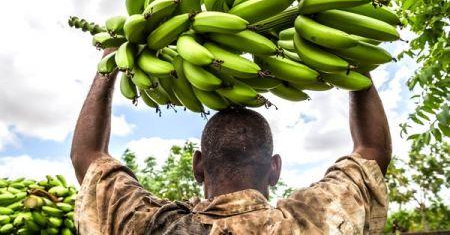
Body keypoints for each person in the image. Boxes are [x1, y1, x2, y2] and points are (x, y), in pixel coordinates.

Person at [71, 49, 391, 235]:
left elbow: (88, 156)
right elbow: (372, 152)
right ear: (275, 168)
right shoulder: (314, 220)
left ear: (198, 166)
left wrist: (109, 63)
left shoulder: (152, 225)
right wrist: (351, 60)